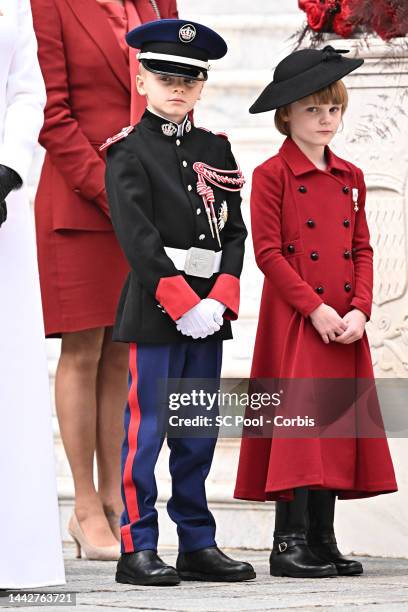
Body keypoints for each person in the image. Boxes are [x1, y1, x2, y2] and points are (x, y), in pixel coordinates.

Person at [234, 46, 398, 578]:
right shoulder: (271, 174)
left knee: (331, 427)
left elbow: (363, 247)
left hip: (345, 324)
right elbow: (268, 253)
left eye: (333, 110)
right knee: (298, 427)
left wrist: (360, 310)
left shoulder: (350, 175)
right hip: (298, 323)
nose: (326, 120)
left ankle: (323, 539)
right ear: (286, 115)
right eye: (312, 110)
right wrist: (317, 309)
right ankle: (289, 542)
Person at [102, 18, 255, 586]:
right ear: (141, 81)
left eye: (189, 80)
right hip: (157, 309)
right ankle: (136, 546)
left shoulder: (216, 147)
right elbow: (137, 237)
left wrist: (221, 299)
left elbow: (234, 232)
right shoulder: (128, 151)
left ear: (201, 86)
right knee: (146, 433)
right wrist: (181, 301)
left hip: (209, 315)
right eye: (164, 77)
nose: (177, 88)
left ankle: (197, 542)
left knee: (197, 431)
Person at [30, 0, 178, 561]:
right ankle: (85, 505)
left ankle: (117, 499)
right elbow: (52, 113)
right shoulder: (48, 6)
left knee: (123, 349)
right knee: (84, 347)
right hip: (79, 195)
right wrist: (112, 189)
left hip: (146, 201)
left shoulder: (159, 3)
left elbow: (173, 87)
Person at [0, 0, 65, 588]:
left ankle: (11, 553)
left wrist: (11, 168)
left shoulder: (12, 6)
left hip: (0, 208)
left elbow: (28, 91)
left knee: (7, 377)